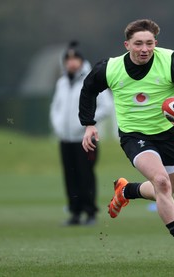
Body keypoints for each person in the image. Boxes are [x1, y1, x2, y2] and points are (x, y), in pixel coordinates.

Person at [79, 19, 174, 264]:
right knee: (161, 182)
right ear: (127, 45)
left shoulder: (170, 62)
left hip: (167, 136)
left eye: (149, 43)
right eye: (138, 43)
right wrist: (88, 123)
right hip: (134, 136)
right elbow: (89, 88)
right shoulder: (110, 68)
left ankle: (126, 190)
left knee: (166, 192)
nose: (144, 49)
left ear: (156, 43)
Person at [50, 40, 113, 226]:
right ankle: (75, 212)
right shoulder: (61, 83)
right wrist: (58, 126)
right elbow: (55, 108)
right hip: (65, 138)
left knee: (85, 175)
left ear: (81, 60)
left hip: (85, 138)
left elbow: (106, 107)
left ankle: (90, 212)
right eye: (67, 59)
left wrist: (86, 123)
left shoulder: (92, 79)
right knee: (70, 176)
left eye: (74, 58)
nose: (71, 62)